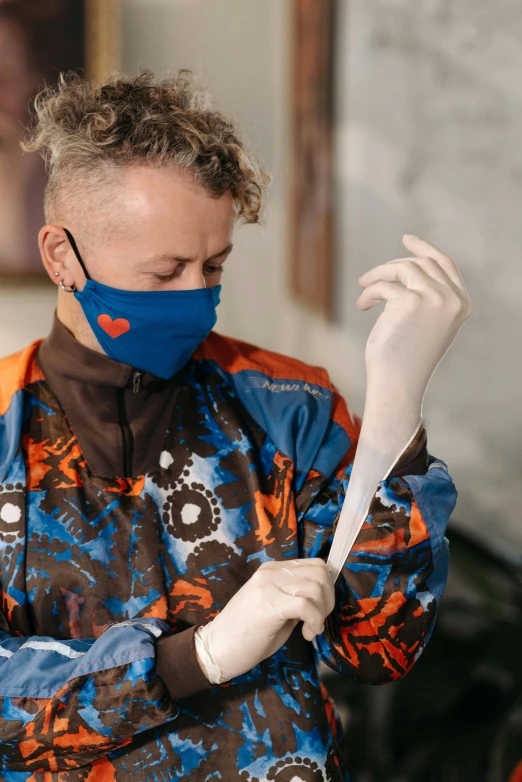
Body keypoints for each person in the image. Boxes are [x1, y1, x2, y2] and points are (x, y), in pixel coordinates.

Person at [0, 72, 470, 781]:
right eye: (165, 273)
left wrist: (396, 415)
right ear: (62, 256)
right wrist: (201, 656)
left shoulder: (290, 409)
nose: (197, 298)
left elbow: (378, 648)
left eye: (213, 266)